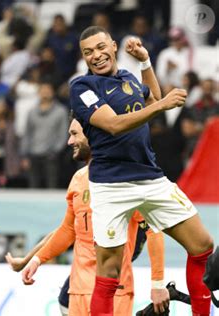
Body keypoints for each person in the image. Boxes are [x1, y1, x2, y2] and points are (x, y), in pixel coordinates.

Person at [69, 26, 214, 315]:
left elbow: (151, 98)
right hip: (111, 185)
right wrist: (161, 106)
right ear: (84, 58)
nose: (96, 56)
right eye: (88, 52)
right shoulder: (82, 88)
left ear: (113, 46)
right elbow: (113, 124)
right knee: (109, 272)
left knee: (203, 245)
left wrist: (145, 63)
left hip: (151, 177)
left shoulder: (127, 78)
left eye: (100, 48)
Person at [13, 118, 167, 315]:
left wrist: (158, 283)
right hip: (78, 291)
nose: (69, 141)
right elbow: (68, 230)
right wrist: (36, 260)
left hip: (116, 292)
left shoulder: (128, 180)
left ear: (94, 136)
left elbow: (154, 230)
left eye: (75, 134)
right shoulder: (78, 179)